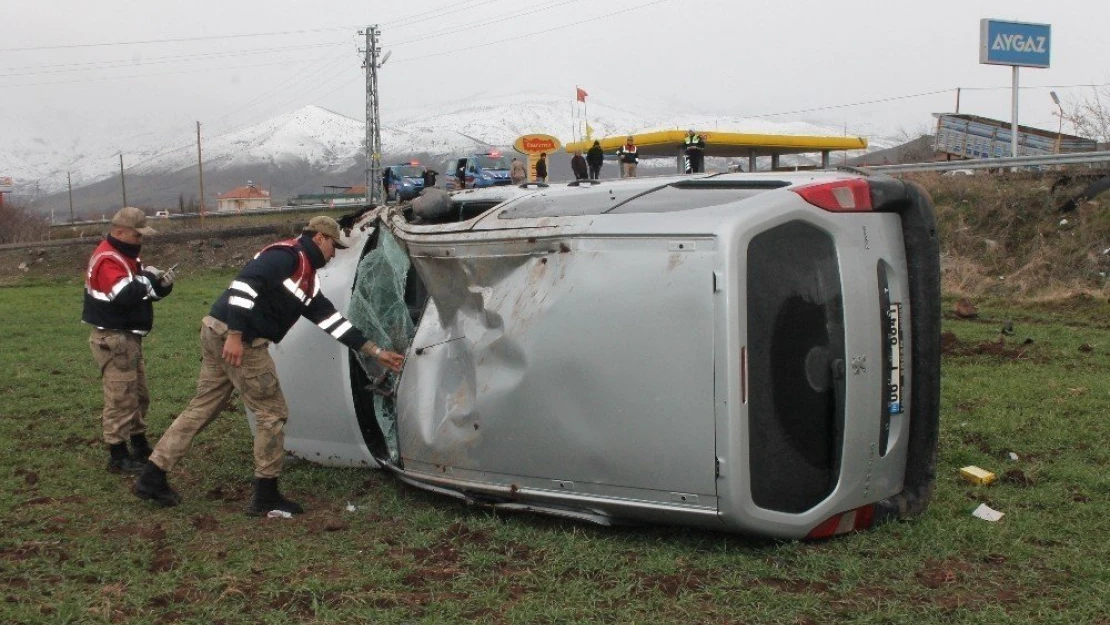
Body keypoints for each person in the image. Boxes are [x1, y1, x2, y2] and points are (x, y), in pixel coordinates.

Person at [132, 216, 405, 515]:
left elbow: (330, 321)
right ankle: (266, 495)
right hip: (239, 340)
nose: (335, 253)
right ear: (319, 238)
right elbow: (244, 286)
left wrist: (374, 351)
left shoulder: (305, 277)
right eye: (333, 246)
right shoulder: (286, 256)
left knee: (203, 407)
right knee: (272, 414)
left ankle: (152, 475)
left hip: (216, 330)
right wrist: (236, 335)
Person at [84, 207, 176, 474]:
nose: (141, 240)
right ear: (120, 232)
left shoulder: (124, 256)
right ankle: (118, 454)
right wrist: (148, 277)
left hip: (127, 337)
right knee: (120, 397)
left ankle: (138, 442)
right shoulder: (108, 259)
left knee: (138, 395)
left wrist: (161, 287)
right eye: (138, 235)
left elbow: (139, 294)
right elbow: (123, 294)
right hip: (114, 338)